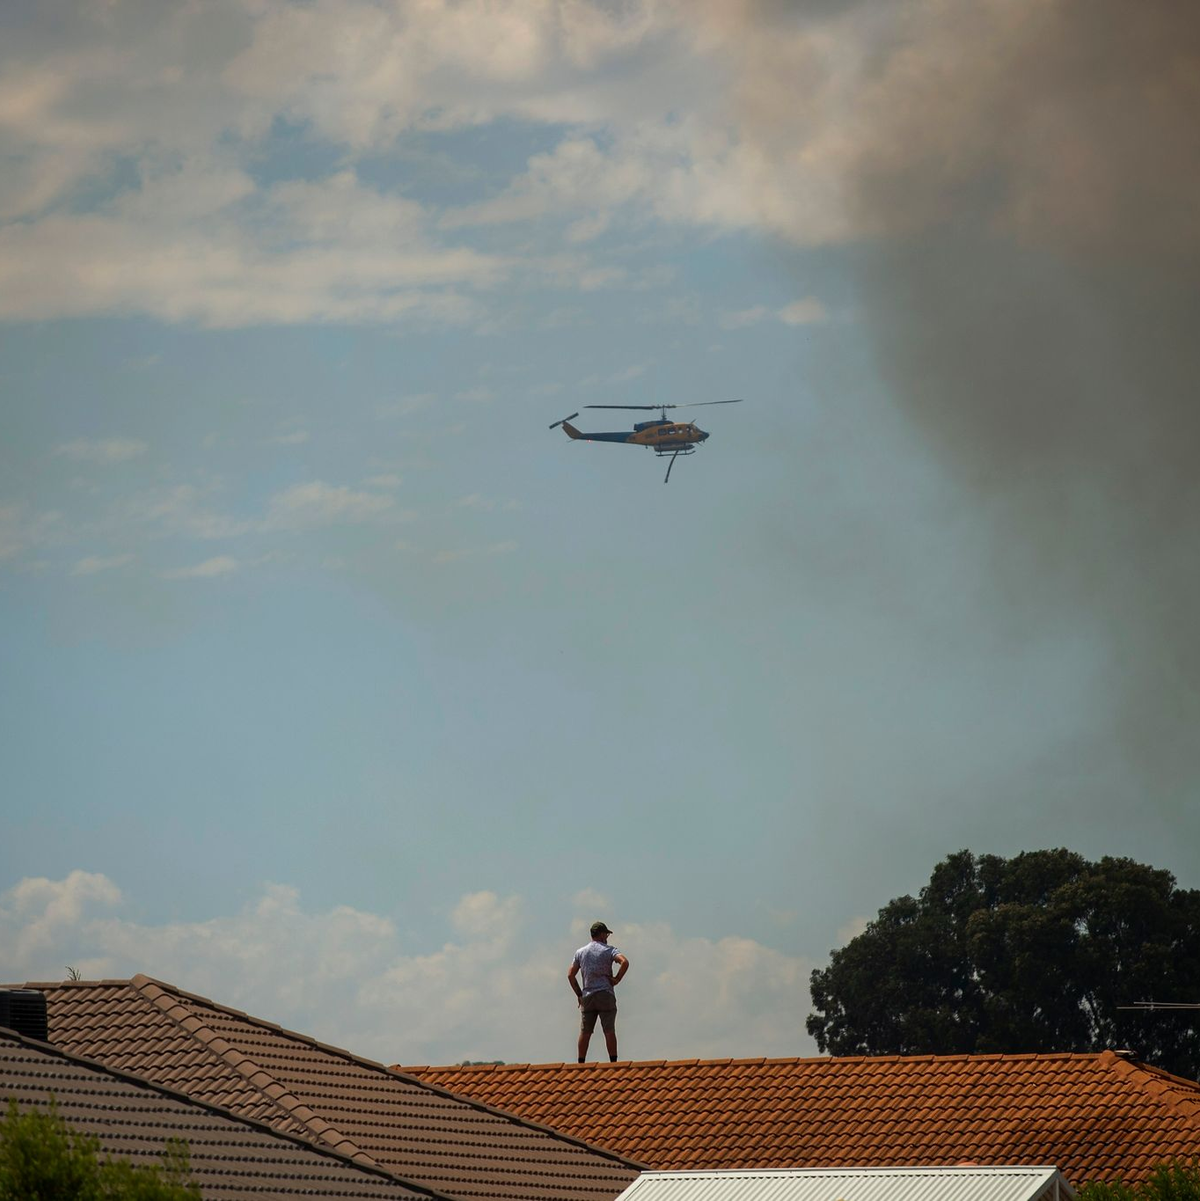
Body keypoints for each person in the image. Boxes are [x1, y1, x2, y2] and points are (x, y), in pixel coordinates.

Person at [568, 921, 628, 1063]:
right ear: (601, 934)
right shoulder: (609, 950)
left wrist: (579, 994)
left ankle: (581, 1063)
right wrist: (617, 979)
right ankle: (613, 1062)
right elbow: (624, 962)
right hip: (605, 994)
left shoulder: (580, 952)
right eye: (606, 934)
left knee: (585, 1031)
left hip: (588, 995)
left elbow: (570, 975)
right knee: (609, 1030)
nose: (607, 937)